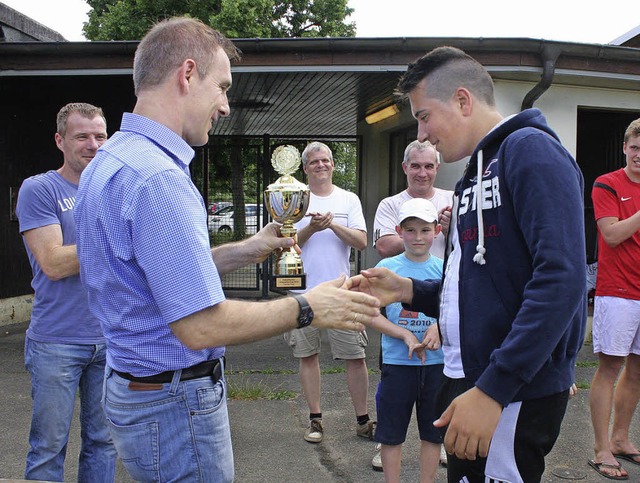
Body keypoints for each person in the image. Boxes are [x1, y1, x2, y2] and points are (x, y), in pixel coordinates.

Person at [73, 18, 380, 483]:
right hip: (174, 405)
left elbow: (158, 275)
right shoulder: (158, 179)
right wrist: (307, 307)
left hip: (138, 392)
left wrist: (250, 248)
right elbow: (199, 325)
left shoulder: (113, 159)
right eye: (221, 87)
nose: (225, 105)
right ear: (187, 74)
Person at [346, 46, 586, 482]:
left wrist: (494, 389)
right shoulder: (473, 174)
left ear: (462, 100)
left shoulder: (531, 152)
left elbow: (562, 280)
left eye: (423, 115)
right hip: (471, 379)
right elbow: (477, 287)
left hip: (509, 389)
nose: (420, 131)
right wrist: (407, 290)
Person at [15, 102, 116, 482]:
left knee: (104, 443)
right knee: (48, 447)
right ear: (60, 140)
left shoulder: (114, 190)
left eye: (99, 136)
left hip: (108, 339)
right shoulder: (41, 189)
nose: (92, 144)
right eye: (82, 136)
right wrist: (118, 239)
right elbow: (54, 263)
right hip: (56, 341)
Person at [283, 141, 374, 444]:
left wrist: (333, 225)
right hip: (302, 292)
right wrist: (310, 228)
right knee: (308, 356)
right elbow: (286, 245)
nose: (321, 165)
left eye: (326, 160)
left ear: (333, 165)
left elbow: (361, 242)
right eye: (314, 162)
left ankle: (363, 420)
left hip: (341, 291)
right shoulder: (292, 199)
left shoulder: (348, 200)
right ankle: (315, 420)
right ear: (305, 168)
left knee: (355, 356)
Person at [371, 139, 450, 470]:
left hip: (436, 364)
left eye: (425, 230)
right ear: (399, 231)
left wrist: (438, 326)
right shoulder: (387, 270)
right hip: (397, 363)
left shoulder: (445, 270)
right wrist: (402, 335)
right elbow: (370, 313)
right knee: (391, 435)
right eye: (410, 230)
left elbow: (454, 309)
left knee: (433, 435)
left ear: (437, 231)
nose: (418, 237)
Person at [588, 118, 640, 480]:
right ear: (625, 147)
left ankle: (621, 439)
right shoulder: (607, 183)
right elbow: (612, 235)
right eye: (635, 147)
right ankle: (601, 447)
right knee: (609, 369)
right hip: (618, 291)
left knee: (637, 370)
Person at [373, 140, 453, 259]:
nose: (422, 173)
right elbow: (384, 247)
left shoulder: (454, 200)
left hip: (444, 277)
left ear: (437, 168)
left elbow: (475, 245)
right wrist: (427, 230)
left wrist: (451, 232)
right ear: (405, 168)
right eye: (415, 166)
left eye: (429, 166)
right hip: (401, 277)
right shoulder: (389, 204)